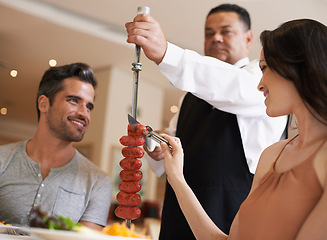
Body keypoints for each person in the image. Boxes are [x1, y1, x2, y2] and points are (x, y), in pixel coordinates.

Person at [126, 4, 287, 238]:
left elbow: (233, 87)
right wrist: (158, 148)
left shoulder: (261, 82)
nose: (216, 38)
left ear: (248, 38)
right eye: (209, 33)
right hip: (177, 221)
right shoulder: (187, 97)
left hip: (230, 221)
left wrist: (167, 53)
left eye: (225, 31)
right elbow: (166, 158)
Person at [160, 18, 327, 240]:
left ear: (300, 67)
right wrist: (177, 178)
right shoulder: (271, 156)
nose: (259, 84)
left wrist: (165, 53)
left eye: (265, 68)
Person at [0, 63, 112, 230]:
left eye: (89, 107)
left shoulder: (98, 182)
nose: (84, 113)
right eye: (74, 100)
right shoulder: (2, 160)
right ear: (44, 104)